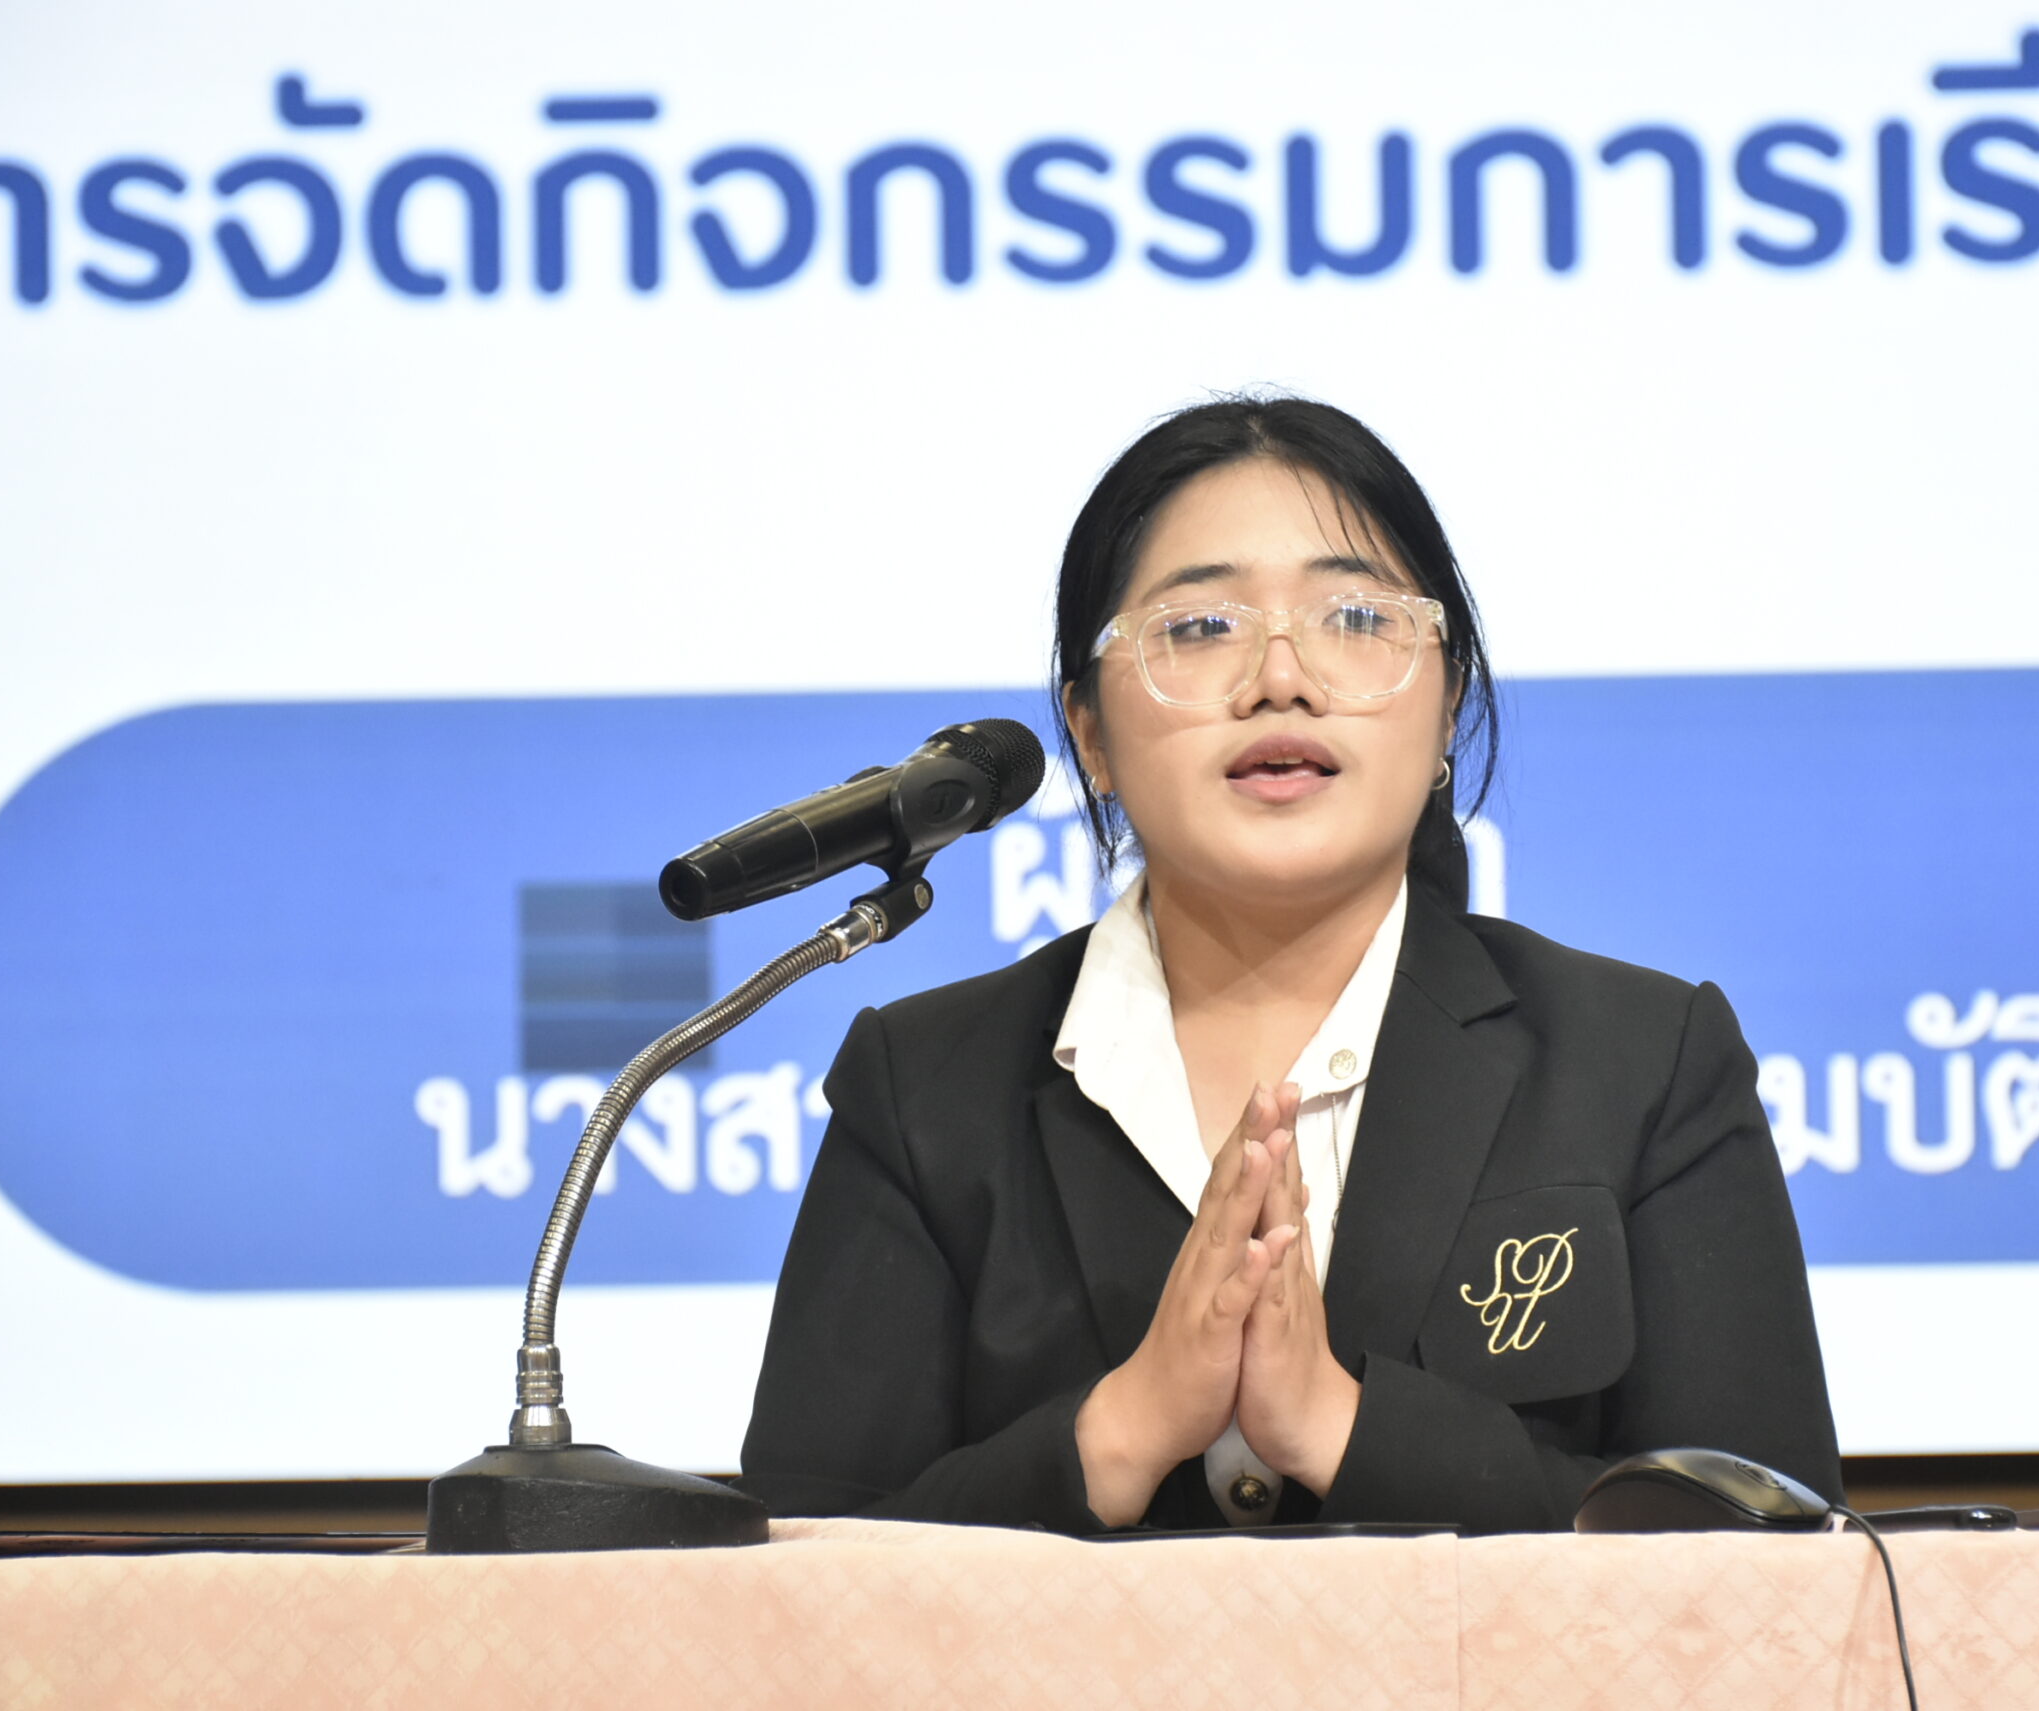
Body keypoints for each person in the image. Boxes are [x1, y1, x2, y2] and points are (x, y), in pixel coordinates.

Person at [739, 396, 1841, 1532]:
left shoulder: (1644, 1064)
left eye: (1355, 616)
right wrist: (1124, 1426)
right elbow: (796, 1580)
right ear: (1090, 734)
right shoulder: (924, 1089)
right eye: (1200, 627)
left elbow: (1769, 1564)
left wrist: (1338, 1426)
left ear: (1448, 706)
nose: (1281, 678)